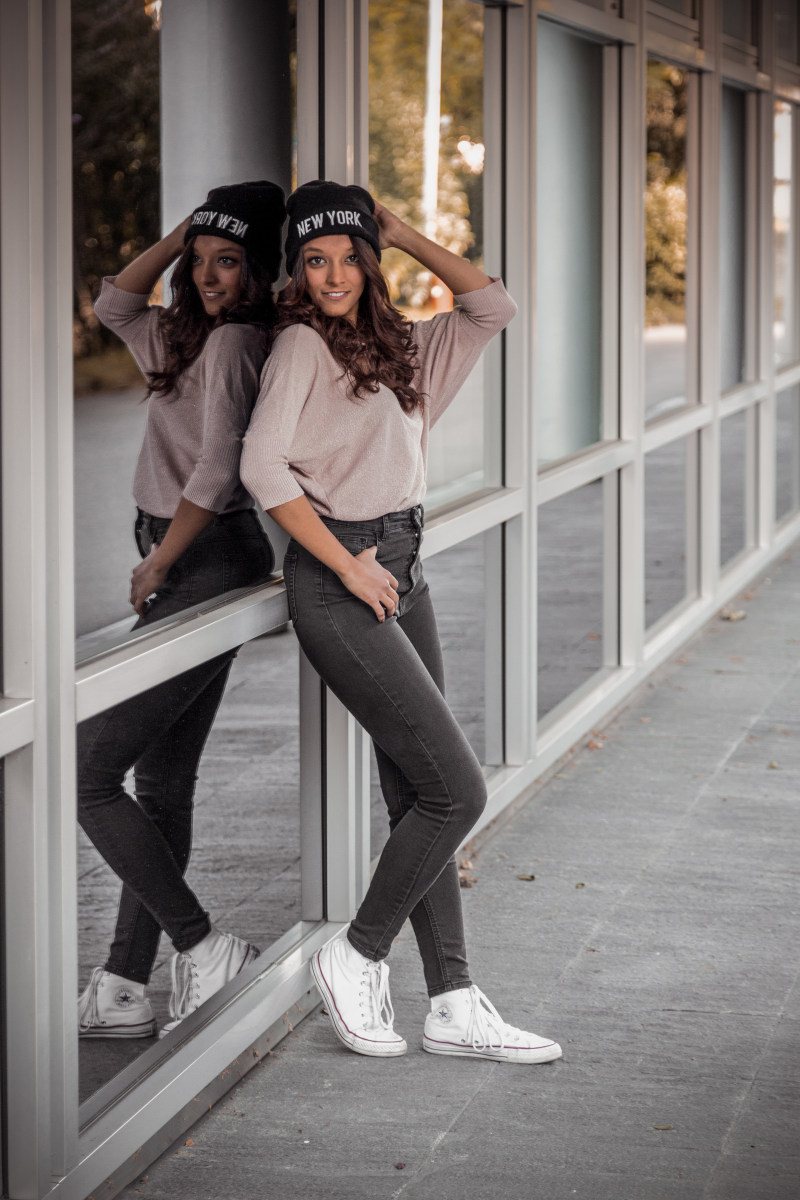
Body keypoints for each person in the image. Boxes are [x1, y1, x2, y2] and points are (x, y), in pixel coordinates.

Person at [241, 180, 561, 1064]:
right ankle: (356, 954)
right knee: (457, 790)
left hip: (403, 568)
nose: (334, 273)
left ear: (368, 261)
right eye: (315, 259)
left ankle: (454, 1001)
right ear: (296, 272)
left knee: (417, 794)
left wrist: (400, 229)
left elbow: (491, 303)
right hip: (341, 576)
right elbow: (263, 468)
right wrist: (346, 563)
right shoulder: (301, 344)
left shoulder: (406, 347)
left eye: (348, 256)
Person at [77, 181, 286, 1039]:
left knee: (87, 773)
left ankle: (201, 947)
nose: (208, 276)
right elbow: (112, 301)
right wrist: (184, 235)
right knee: (160, 783)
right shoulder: (177, 334)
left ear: (258, 269)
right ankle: (125, 985)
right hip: (183, 555)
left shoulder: (238, 340)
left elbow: (217, 469)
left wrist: (158, 561)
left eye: (228, 260)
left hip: (203, 556)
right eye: (200, 262)